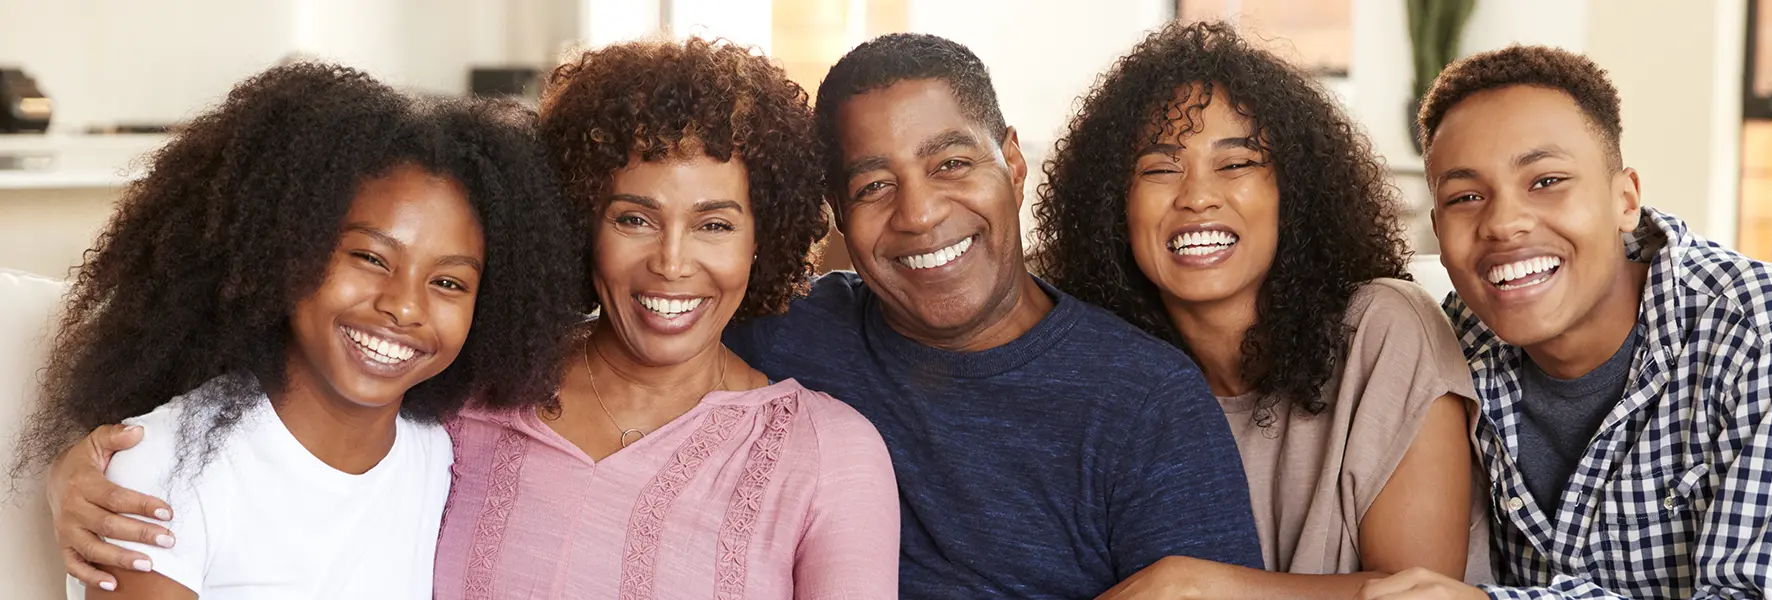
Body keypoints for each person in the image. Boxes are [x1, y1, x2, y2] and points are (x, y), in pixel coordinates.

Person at [41, 39, 902, 599]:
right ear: (577, 226)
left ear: (768, 237)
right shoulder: (463, 396)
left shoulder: (828, 456)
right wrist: (84, 463)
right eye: (632, 217)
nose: (672, 262)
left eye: (715, 223)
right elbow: (285, 426)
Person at [1360, 45, 1772, 600]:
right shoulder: (1448, 345)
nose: (1504, 223)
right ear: (1436, 224)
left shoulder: (1765, 327)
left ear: (1626, 199)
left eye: (1547, 181)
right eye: (1466, 196)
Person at [8, 63, 583, 598]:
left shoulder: (438, 454)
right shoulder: (161, 469)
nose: (405, 307)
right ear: (284, 250)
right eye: (370, 258)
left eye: (450, 284)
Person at [720, 32, 1263, 597]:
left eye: (951, 163)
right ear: (837, 213)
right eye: (875, 185)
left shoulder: (1147, 401)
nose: (920, 214)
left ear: (1014, 164)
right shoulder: (782, 330)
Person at [1032, 22, 1485, 599]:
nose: (1197, 196)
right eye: (1160, 168)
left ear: (1291, 191)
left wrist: (1197, 587)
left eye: (1237, 163)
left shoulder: (1383, 331)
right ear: (1112, 208)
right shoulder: (1105, 377)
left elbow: (1421, 595)